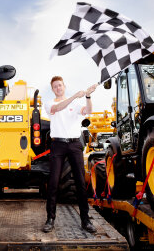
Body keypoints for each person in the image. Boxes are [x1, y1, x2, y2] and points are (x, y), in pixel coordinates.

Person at [42, 76, 98, 233]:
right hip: (58, 144)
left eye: (60, 85)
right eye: (55, 86)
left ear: (64, 86)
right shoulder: (50, 104)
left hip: (74, 144)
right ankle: (50, 219)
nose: (58, 88)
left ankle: (85, 220)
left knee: (80, 182)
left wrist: (87, 96)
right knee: (53, 183)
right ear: (53, 89)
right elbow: (57, 109)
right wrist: (74, 96)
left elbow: (88, 111)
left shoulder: (76, 103)